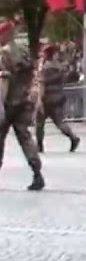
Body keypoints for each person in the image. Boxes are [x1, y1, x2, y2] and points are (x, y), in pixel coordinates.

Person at [0, 20, 44, 190]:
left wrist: (1, 105)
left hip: (10, 101)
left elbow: (4, 80)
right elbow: (32, 72)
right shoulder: (24, 50)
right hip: (24, 100)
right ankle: (37, 173)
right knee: (25, 137)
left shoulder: (5, 53)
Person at [33, 44, 80, 154]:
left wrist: (39, 100)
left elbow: (41, 84)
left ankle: (39, 145)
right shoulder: (59, 67)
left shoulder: (44, 68)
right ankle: (73, 137)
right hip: (58, 97)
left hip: (46, 98)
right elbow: (64, 79)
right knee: (59, 122)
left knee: (39, 122)